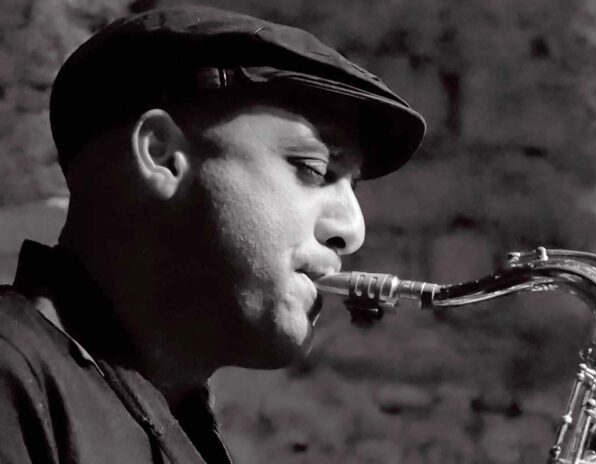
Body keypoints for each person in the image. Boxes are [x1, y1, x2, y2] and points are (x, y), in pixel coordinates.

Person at [0, 5, 425, 464]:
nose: (353, 231)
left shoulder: (162, 412)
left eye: (352, 186)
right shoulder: (13, 375)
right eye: (312, 167)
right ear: (162, 155)